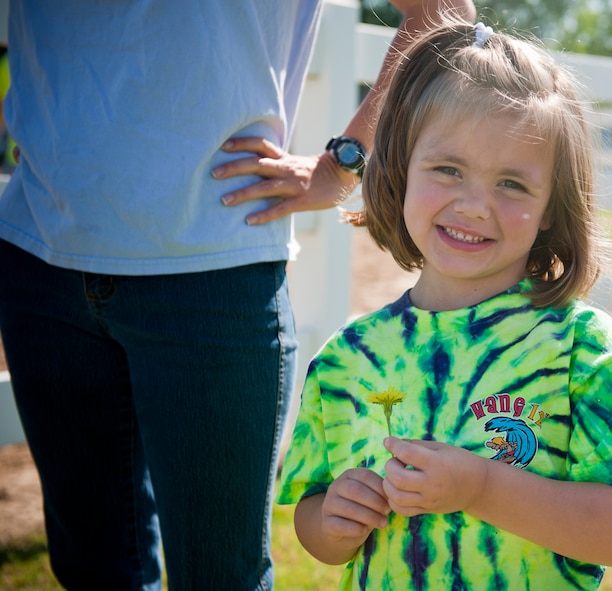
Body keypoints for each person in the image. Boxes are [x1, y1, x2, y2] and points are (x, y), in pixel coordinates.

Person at [0, 1, 474, 589]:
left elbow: (443, 11)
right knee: (90, 569)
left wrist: (342, 164)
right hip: (38, 254)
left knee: (221, 578)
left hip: (215, 271)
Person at [276, 21, 612, 590]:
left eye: (512, 184)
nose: (474, 205)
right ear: (400, 169)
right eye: (448, 169)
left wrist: (482, 488)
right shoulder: (348, 359)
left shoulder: (582, 349)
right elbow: (314, 527)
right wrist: (335, 519)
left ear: (550, 207)